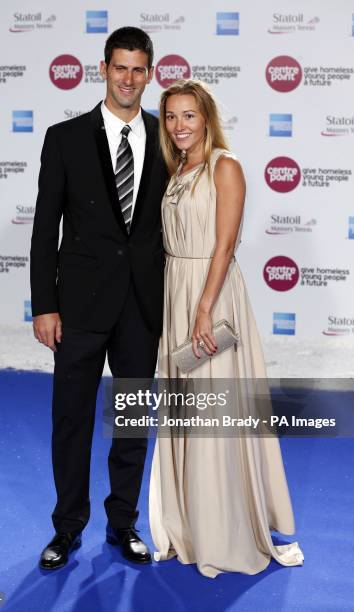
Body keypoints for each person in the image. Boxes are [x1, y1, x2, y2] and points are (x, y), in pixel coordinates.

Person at [149, 79, 304, 578]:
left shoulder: (225, 166)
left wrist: (203, 309)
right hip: (178, 291)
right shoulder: (178, 170)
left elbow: (225, 244)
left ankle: (225, 528)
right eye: (171, 116)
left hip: (209, 297)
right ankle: (189, 521)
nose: (179, 126)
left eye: (189, 116)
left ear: (207, 117)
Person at [30, 27, 167, 570]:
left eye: (139, 70)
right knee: (72, 420)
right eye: (120, 68)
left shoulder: (166, 137)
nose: (129, 79)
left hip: (141, 309)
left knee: (132, 420)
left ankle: (123, 523)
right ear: (103, 69)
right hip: (80, 307)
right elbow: (45, 229)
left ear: (149, 74)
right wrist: (45, 304)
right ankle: (66, 528)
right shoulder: (64, 138)